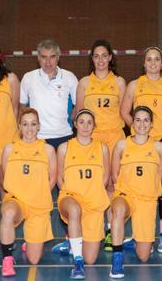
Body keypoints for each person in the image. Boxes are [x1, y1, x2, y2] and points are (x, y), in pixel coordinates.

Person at [120, 46, 162, 253]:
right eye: (149, 60)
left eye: (157, 60)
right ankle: (141, 233)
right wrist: (138, 131)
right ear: (143, 63)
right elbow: (124, 112)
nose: (153, 63)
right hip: (145, 144)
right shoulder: (135, 85)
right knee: (143, 188)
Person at [75, 40, 126, 251]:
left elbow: (123, 111)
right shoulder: (85, 83)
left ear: (110, 58)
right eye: (96, 56)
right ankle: (93, 228)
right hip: (93, 139)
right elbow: (79, 113)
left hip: (114, 137)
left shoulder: (120, 82)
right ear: (92, 59)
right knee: (95, 185)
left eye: (104, 55)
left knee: (113, 185)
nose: (101, 60)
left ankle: (110, 230)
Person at [109, 106, 162, 279]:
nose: (142, 124)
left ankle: (136, 240)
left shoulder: (158, 147)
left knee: (143, 256)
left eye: (146, 120)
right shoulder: (122, 145)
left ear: (151, 124)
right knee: (118, 210)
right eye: (138, 120)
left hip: (147, 200)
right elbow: (114, 175)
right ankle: (117, 257)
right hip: (125, 196)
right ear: (132, 122)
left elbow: (160, 176)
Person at [0, 108, 57, 276]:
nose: (29, 128)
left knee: (34, 259)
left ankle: (29, 241)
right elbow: (4, 177)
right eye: (25, 124)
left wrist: (38, 194)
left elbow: (52, 179)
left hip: (38, 204)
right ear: (19, 126)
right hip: (17, 201)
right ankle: (7, 260)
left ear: (39, 126)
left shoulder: (48, 150)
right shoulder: (10, 149)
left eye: (33, 124)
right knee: (8, 213)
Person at [57, 109, 111, 279]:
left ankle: (72, 243)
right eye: (81, 122)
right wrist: (72, 195)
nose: (85, 126)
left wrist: (91, 194)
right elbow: (60, 178)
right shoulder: (64, 147)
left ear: (94, 126)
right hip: (71, 198)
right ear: (75, 124)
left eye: (89, 122)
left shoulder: (102, 149)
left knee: (91, 259)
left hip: (93, 203)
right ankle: (77, 261)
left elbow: (105, 179)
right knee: (74, 210)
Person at [19, 39, 78, 150]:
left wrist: (67, 122)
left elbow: (78, 106)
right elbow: (22, 108)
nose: (48, 62)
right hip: (37, 137)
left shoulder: (70, 77)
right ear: (38, 58)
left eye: (52, 57)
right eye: (44, 57)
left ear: (58, 57)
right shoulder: (28, 78)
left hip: (64, 136)